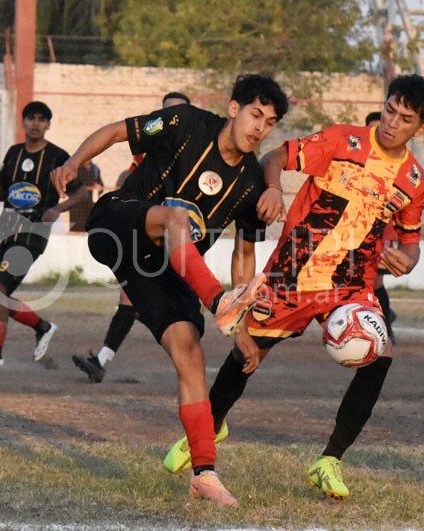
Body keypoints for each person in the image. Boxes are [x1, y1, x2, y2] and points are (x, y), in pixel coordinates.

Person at [163, 74, 424, 501]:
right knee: (245, 355)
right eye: (389, 110)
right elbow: (275, 155)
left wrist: (407, 260)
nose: (391, 123)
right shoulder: (342, 141)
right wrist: (273, 187)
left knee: (379, 356)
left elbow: (410, 242)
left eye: (404, 119)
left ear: (420, 129)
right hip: (292, 275)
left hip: (350, 284)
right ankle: (209, 428)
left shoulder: (416, 181)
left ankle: (329, 460)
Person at [52, 74, 290, 507]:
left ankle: (204, 472)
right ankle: (217, 302)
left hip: (163, 267)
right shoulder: (185, 121)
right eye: (255, 114)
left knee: (190, 352)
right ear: (234, 108)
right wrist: (73, 161)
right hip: (118, 224)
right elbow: (116, 131)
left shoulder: (253, 182)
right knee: (176, 219)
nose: (260, 128)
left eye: (270, 122)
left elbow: (243, 257)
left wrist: (241, 328)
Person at [72, 90, 192, 383]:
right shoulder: (146, 152)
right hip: (143, 234)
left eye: (179, 112)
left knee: (156, 306)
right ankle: (102, 360)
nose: (172, 118)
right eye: (166, 112)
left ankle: (185, 362)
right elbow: (127, 174)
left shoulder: (194, 158)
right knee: (134, 300)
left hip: (170, 240)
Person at [0, 101, 85, 368]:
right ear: (23, 122)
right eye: (31, 118)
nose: (36, 123)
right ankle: (42, 327)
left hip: (32, 232)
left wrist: (58, 208)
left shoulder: (58, 157)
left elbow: (82, 192)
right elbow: (3, 194)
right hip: (6, 230)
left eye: (41, 119)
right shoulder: (13, 153)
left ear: (48, 125)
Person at [365, 112, 400, 344]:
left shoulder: (396, 161)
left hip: (383, 227)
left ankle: (385, 325)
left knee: (375, 279)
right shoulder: (360, 156)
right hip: (358, 226)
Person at [68, 159, 104, 231]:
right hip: (77, 208)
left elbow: (101, 185)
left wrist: (99, 187)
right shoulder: (75, 170)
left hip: (90, 206)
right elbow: (70, 188)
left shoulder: (95, 169)